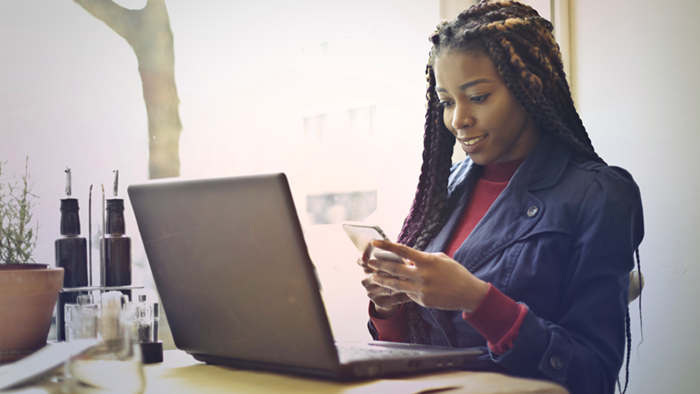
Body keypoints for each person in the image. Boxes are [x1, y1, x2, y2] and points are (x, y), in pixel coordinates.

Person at [358, 2, 644, 394]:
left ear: (530, 89)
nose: (458, 119)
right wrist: (391, 307)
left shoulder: (597, 194)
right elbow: (418, 349)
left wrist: (478, 301)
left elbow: (591, 377)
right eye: (446, 101)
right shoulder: (446, 186)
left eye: (477, 97)